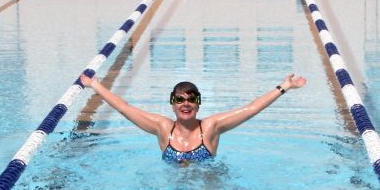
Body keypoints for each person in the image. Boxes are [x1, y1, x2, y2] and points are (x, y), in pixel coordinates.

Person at [79, 73, 308, 165]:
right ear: (173, 103)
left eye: (190, 99)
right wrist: (95, 84)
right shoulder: (162, 128)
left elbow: (251, 108)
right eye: (179, 100)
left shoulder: (210, 127)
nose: (185, 104)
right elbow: (124, 108)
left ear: (198, 104)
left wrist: (284, 86)